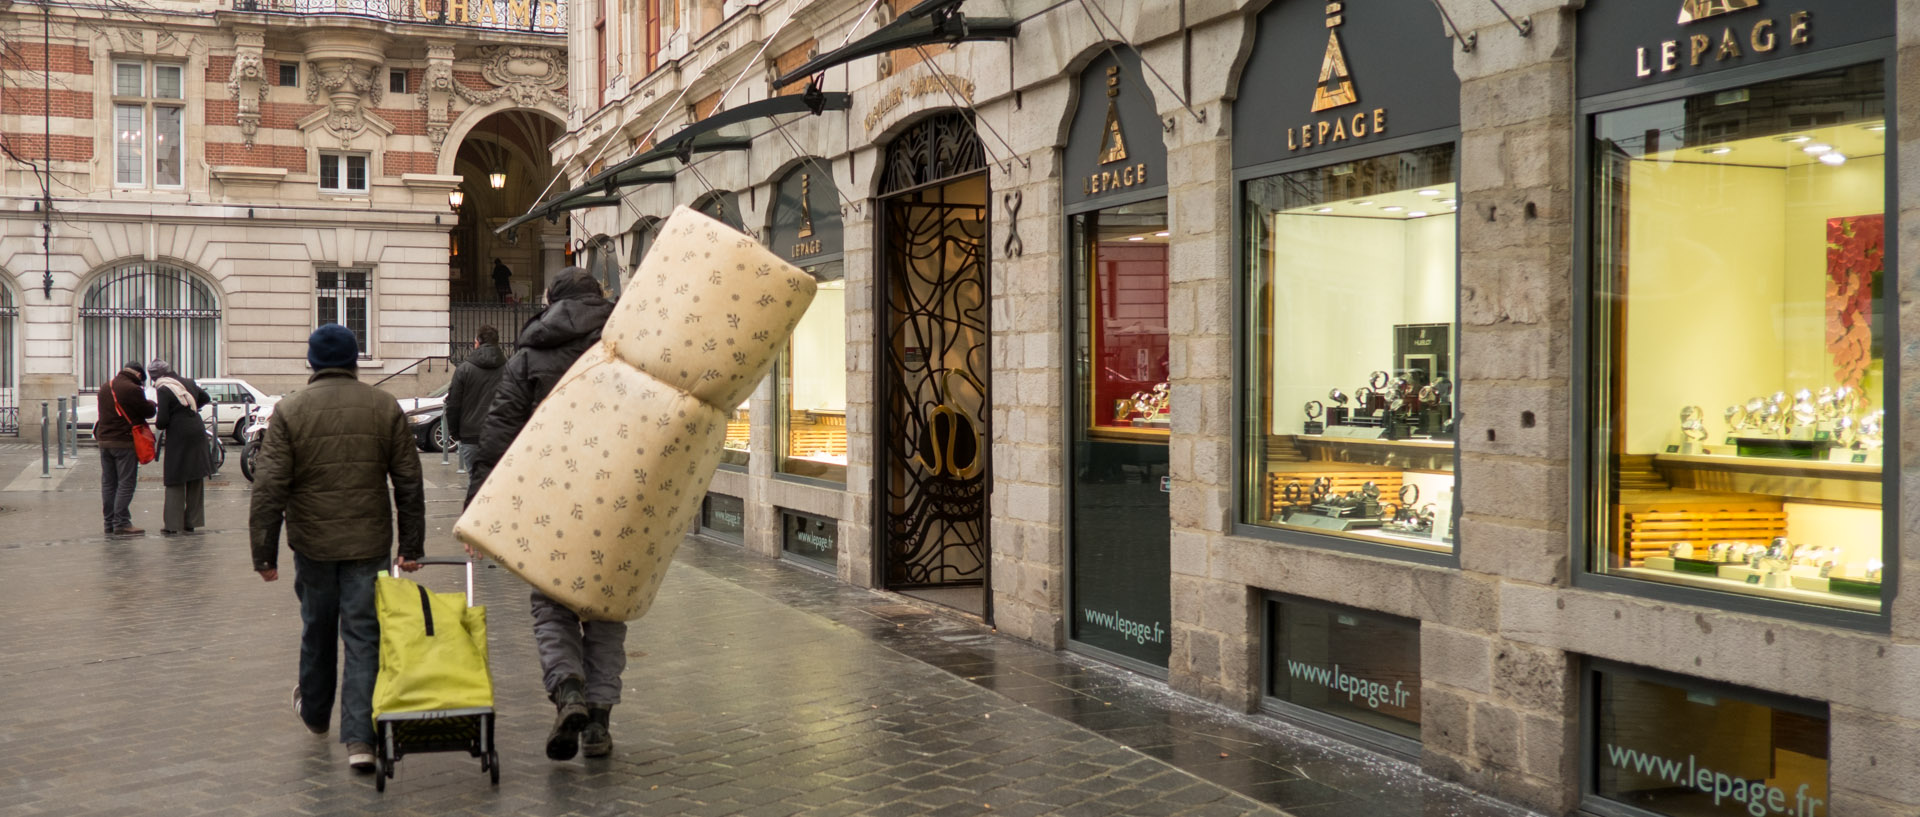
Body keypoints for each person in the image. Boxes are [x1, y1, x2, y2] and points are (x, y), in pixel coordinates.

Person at [250, 324, 425, 774]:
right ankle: (360, 740)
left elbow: (269, 487)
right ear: (353, 361)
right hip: (369, 544)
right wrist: (411, 545)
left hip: (312, 544)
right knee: (365, 636)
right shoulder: (384, 407)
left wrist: (264, 553)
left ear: (312, 362)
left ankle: (313, 712)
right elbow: (408, 481)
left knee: (317, 628)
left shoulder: (289, 411)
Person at [470, 268, 623, 761]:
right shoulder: (626, 343)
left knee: (551, 603)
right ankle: (598, 722)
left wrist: (479, 506)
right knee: (606, 610)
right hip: (618, 496)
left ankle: (569, 690)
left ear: (550, 302)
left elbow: (499, 433)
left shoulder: (529, 357)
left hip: (551, 497)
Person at [148, 359, 213, 535]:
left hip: (178, 435)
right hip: (197, 431)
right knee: (195, 475)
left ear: (155, 376)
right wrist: (190, 409)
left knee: (175, 477)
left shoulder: (164, 388)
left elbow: (162, 421)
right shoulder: (188, 382)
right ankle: (192, 521)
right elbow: (205, 397)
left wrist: (173, 417)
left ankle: (172, 525)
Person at [95, 360, 155, 536]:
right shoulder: (131, 389)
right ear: (138, 375)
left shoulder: (106, 387)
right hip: (124, 441)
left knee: (109, 483)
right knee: (126, 483)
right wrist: (152, 403)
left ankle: (109, 523)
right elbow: (147, 412)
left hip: (105, 441)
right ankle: (121, 523)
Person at [443, 325, 506, 489]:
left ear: (477, 342)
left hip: (470, 435)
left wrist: (456, 433)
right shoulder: (509, 369)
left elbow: (453, 404)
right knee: (498, 482)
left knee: (475, 482)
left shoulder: (464, 369)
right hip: (499, 435)